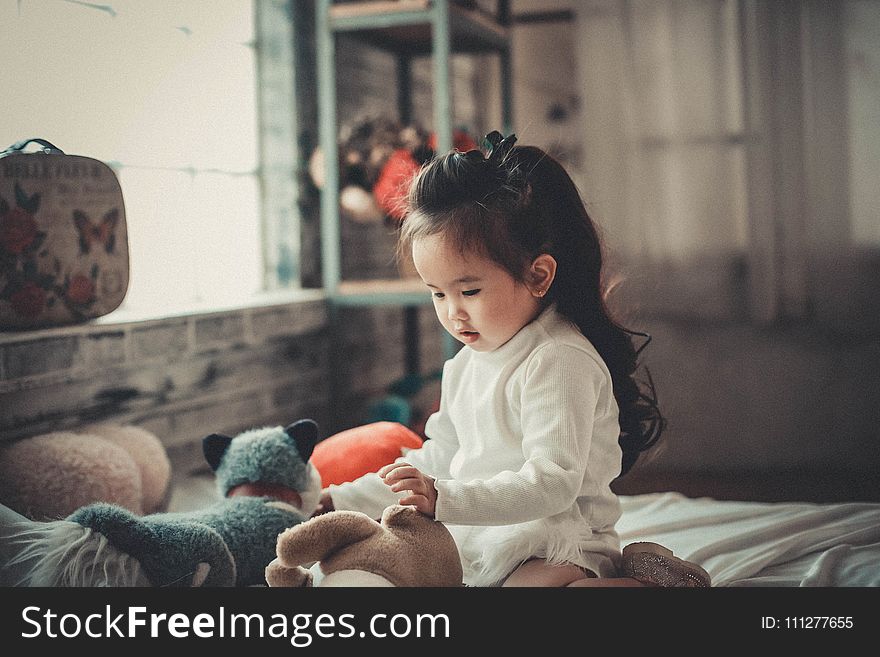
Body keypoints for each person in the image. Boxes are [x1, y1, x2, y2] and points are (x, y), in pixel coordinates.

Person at [316, 132, 710, 588]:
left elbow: (553, 483)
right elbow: (440, 456)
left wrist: (443, 499)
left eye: (469, 291)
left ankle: (651, 579)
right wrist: (339, 500)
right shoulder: (466, 364)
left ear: (537, 274)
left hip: (561, 543)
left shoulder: (559, 358)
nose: (452, 312)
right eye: (437, 293)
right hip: (480, 537)